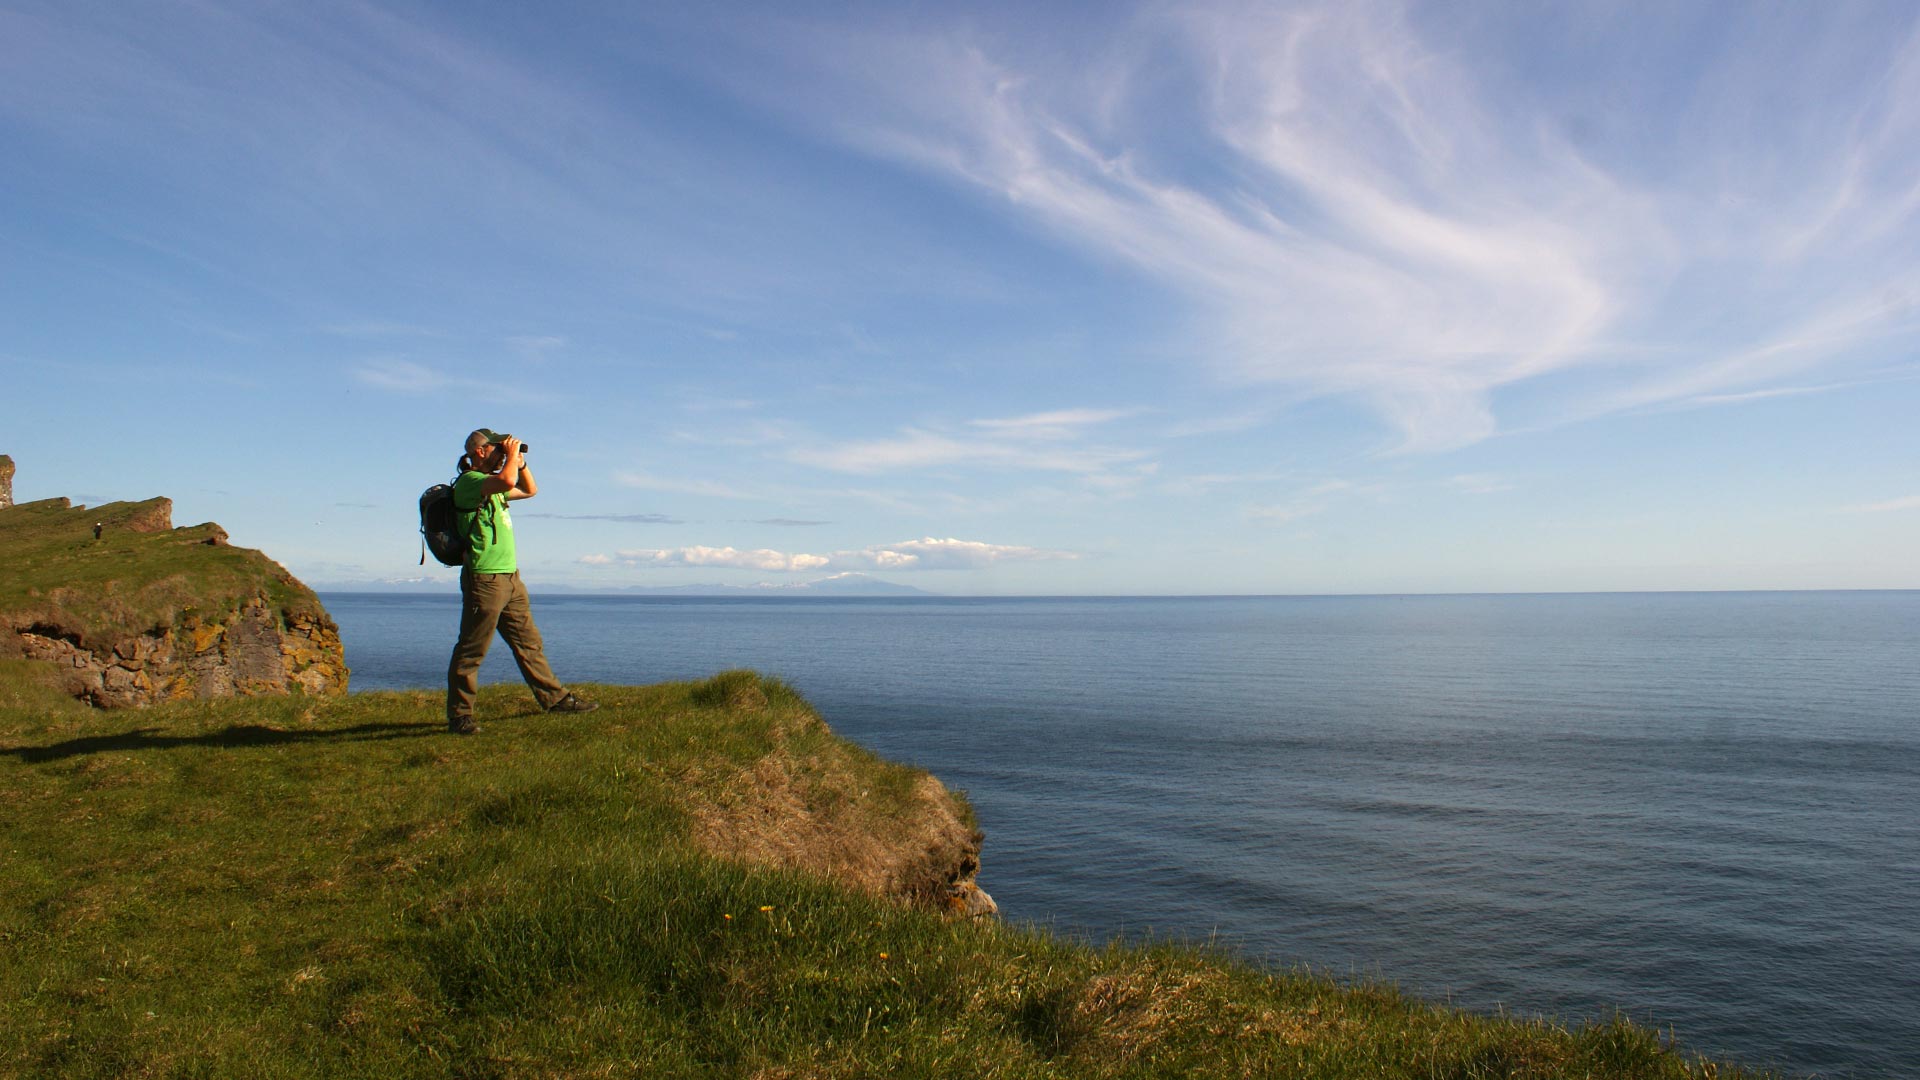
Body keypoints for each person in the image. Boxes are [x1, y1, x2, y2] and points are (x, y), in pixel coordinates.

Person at [445, 428, 597, 734]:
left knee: (529, 643)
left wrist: (521, 461)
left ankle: (555, 699)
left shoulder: (493, 486)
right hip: (484, 578)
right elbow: (507, 481)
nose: (503, 454)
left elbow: (529, 490)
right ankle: (460, 715)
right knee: (472, 649)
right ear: (480, 452)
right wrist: (511, 458)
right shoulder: (470, 482)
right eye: (497, 449)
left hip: (510, 578)